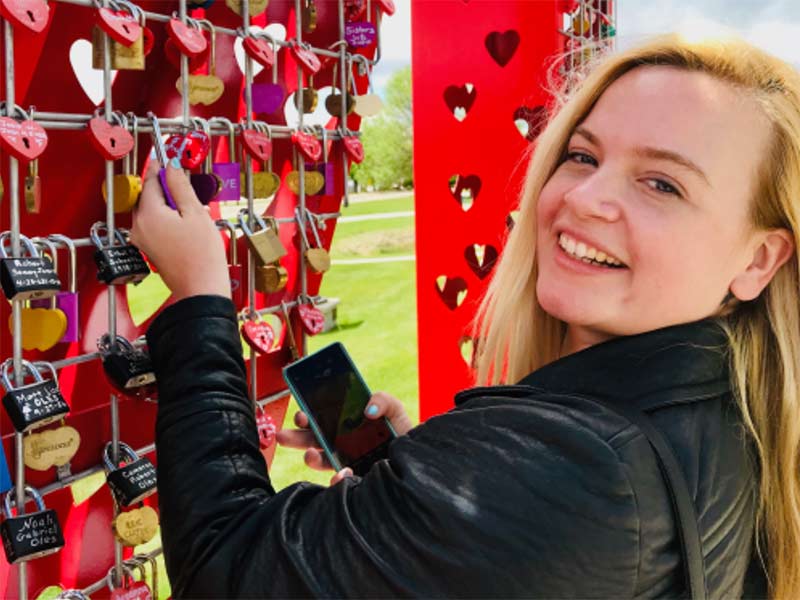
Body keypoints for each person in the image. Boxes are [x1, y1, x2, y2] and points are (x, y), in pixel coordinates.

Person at [130, 32, 800, 598]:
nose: (586, 197)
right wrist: (419, 490)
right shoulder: (729, 412)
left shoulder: (581, 471)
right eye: (582, 155)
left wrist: (200, 301)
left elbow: (226, 566)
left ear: (760, 259)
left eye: (662, 184)